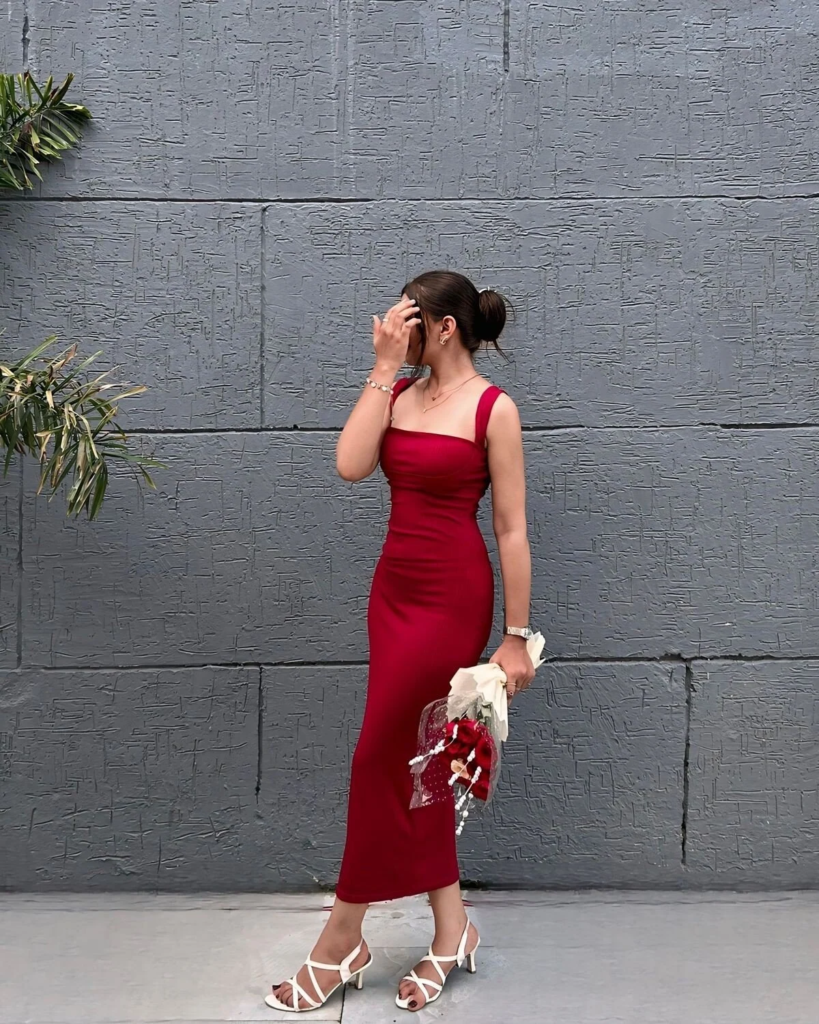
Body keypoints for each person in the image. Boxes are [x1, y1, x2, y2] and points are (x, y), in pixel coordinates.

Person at [265, 270, 536, 1013]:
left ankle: (339, 939)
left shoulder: (493, 409)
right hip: (392, 595)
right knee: (416, 760)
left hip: (453, 599)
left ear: (442, 327)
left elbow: (511, 529)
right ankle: (452, 930)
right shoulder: (402, 393)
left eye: (405, 323)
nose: (391, 331)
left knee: (377, 756)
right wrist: (383, 369)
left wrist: (514, 638)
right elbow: (351, 465)